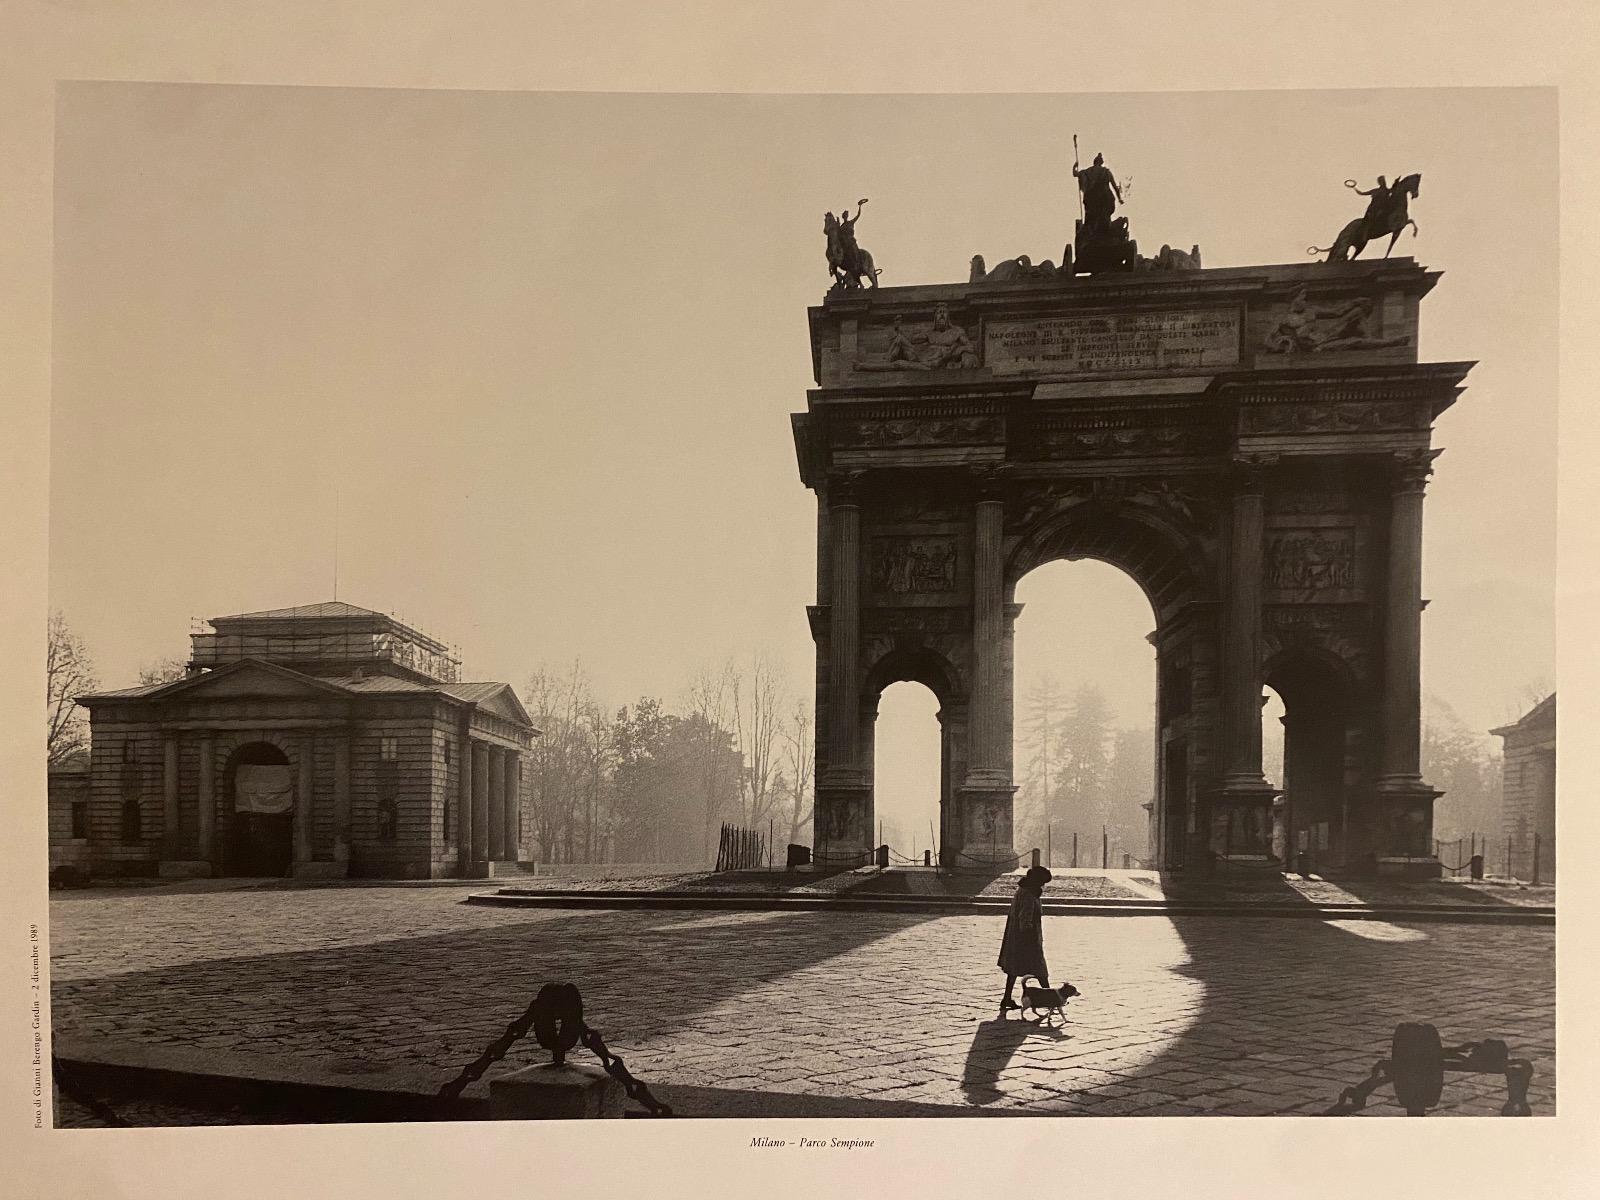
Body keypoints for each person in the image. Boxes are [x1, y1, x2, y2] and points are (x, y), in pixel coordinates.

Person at [998, 865, 1052, 1013]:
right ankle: (1051, 999)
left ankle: (1006, 998)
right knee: (1041, 970)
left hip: (1015, 937)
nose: (1043, 885)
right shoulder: (1029, 895)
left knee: (1013, 969)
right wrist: (1032, 940)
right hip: (1026, 940)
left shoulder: (1022, 891)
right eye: (1043, 882)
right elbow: (1025, 920)